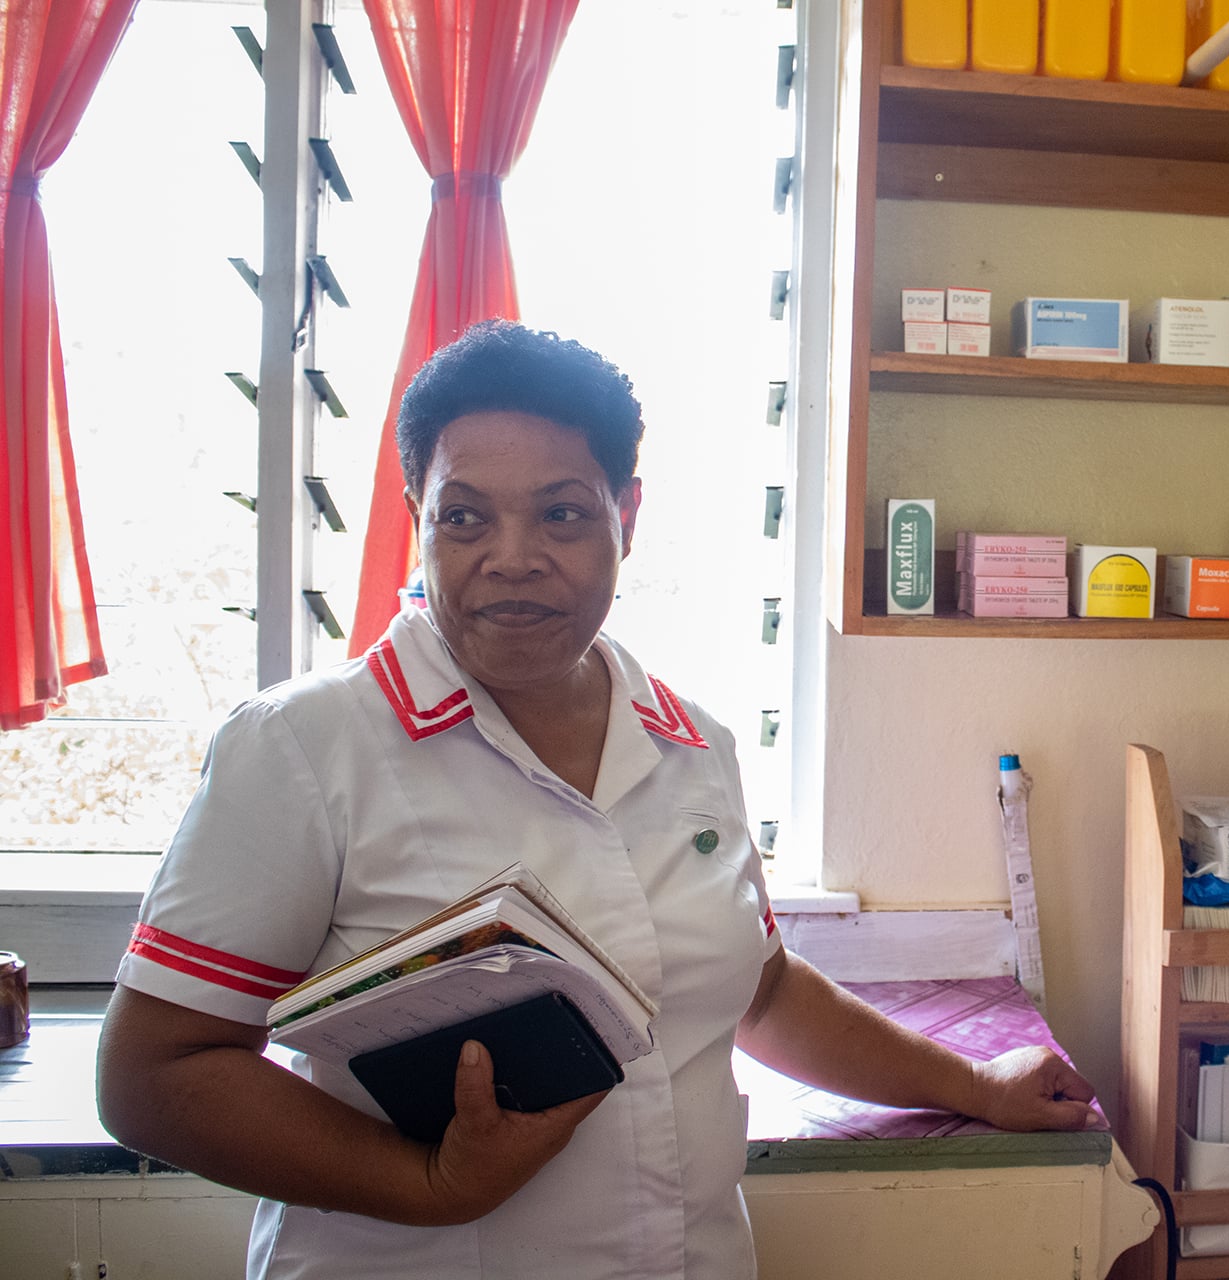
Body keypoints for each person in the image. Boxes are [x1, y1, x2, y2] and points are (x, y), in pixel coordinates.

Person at [96, 321, 1098, 1279]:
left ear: (627, 516)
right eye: (464, 515)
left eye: (562, 513)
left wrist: (975, 1084)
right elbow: (155, 1074)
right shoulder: (304, 748)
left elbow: (760, 991)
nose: (512, 556)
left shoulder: (692, 745)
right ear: (418, 519)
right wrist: (431, 1184)